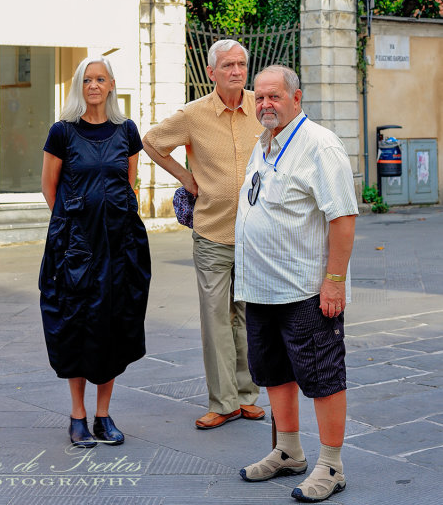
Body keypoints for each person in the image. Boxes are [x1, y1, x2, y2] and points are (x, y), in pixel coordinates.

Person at [235, 65, 358, 502]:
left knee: (323, 375)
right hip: (260, 287)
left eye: (274, 97)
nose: (265, 104)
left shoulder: (320, 145)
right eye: (260, 98)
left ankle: (331, 465)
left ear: (296, 98)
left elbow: (342, 217)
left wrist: (335, 282)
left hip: (305, 289)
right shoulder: (264, 143)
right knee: (273, 372)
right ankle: (287, 451)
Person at [143, 39, 264, 429]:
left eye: (241, 65)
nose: (236, 71)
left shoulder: (261, 108)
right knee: (216, 318)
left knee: (247, 317)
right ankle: (223, 401)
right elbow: (152, 141)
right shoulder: (193, 115)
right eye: (228, 65)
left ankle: (247, 395)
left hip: (256, 234)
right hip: (212, 231)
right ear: (211, 72)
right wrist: (184, 176)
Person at [39, 57, 151, 448]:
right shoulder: (62, 132)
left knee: (114, 326)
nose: (94, 85)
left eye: (100, 79)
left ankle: (104, 415)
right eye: (87, 80)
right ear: (78, 86)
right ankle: (78, 415)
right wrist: (74, 228)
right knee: (75, 325)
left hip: (121, 247)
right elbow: (49, 187)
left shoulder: (127, 131)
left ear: (111, 85)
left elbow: (128, 184)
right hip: (76, 249)